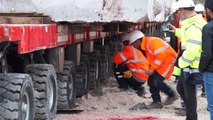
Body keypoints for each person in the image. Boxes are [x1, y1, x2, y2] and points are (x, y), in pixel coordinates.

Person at [169, 0, 207, 119]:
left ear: (183, 10)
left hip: (191, 66)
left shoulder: (193, 26)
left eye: (179, 10)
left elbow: (192, 49)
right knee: (182, 89)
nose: (179, 13)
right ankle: (191, 114)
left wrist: (181, 63)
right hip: (191, 65)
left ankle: (191, 117)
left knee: (189, 95)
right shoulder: (194, 23)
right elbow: (188, 36)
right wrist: (177, 32)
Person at [128, 30, 178, 109]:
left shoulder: (151, 43)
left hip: (169, 60)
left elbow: (160, 56)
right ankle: (156, 102)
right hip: (162, 61)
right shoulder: (145, 45)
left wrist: (152, 68)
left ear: (137, 41)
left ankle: (172, 95)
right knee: (151, 81)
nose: (133, 46)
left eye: (133, 44)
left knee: (157, 81)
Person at [199, 0, 213, 119]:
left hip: (211, 71)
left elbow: (206, 53)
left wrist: (201, 68)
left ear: (208, 10)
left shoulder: (208, 28)